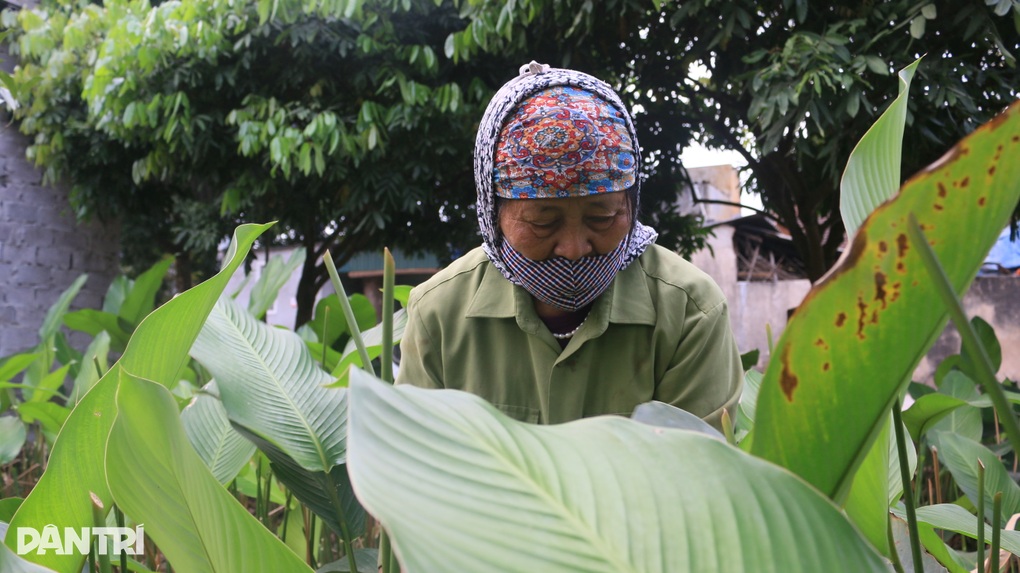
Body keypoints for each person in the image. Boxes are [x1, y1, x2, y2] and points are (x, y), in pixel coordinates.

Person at [395, 62, 742, 429]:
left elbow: (695, 474)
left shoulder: (690, 312)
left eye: (602, 218)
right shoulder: (438, 315)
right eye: (543, 222)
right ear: (492, 211)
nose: (575, 249)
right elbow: (417, 470)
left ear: (631, 203)